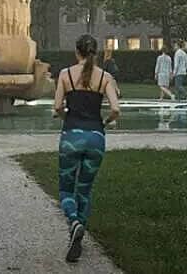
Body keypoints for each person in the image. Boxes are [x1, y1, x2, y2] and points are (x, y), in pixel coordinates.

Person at [53, 34, 120, 263]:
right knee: (84, 189)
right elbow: (115, 109)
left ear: (76, 52)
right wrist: (105, 122)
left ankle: (74, 222)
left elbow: (57, 106)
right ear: (95, 52)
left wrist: (66, 118)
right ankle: (79, 233)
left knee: (66, 189)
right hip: (96, 138)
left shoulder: (65, 75)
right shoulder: (105, 77)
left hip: (71, 136)